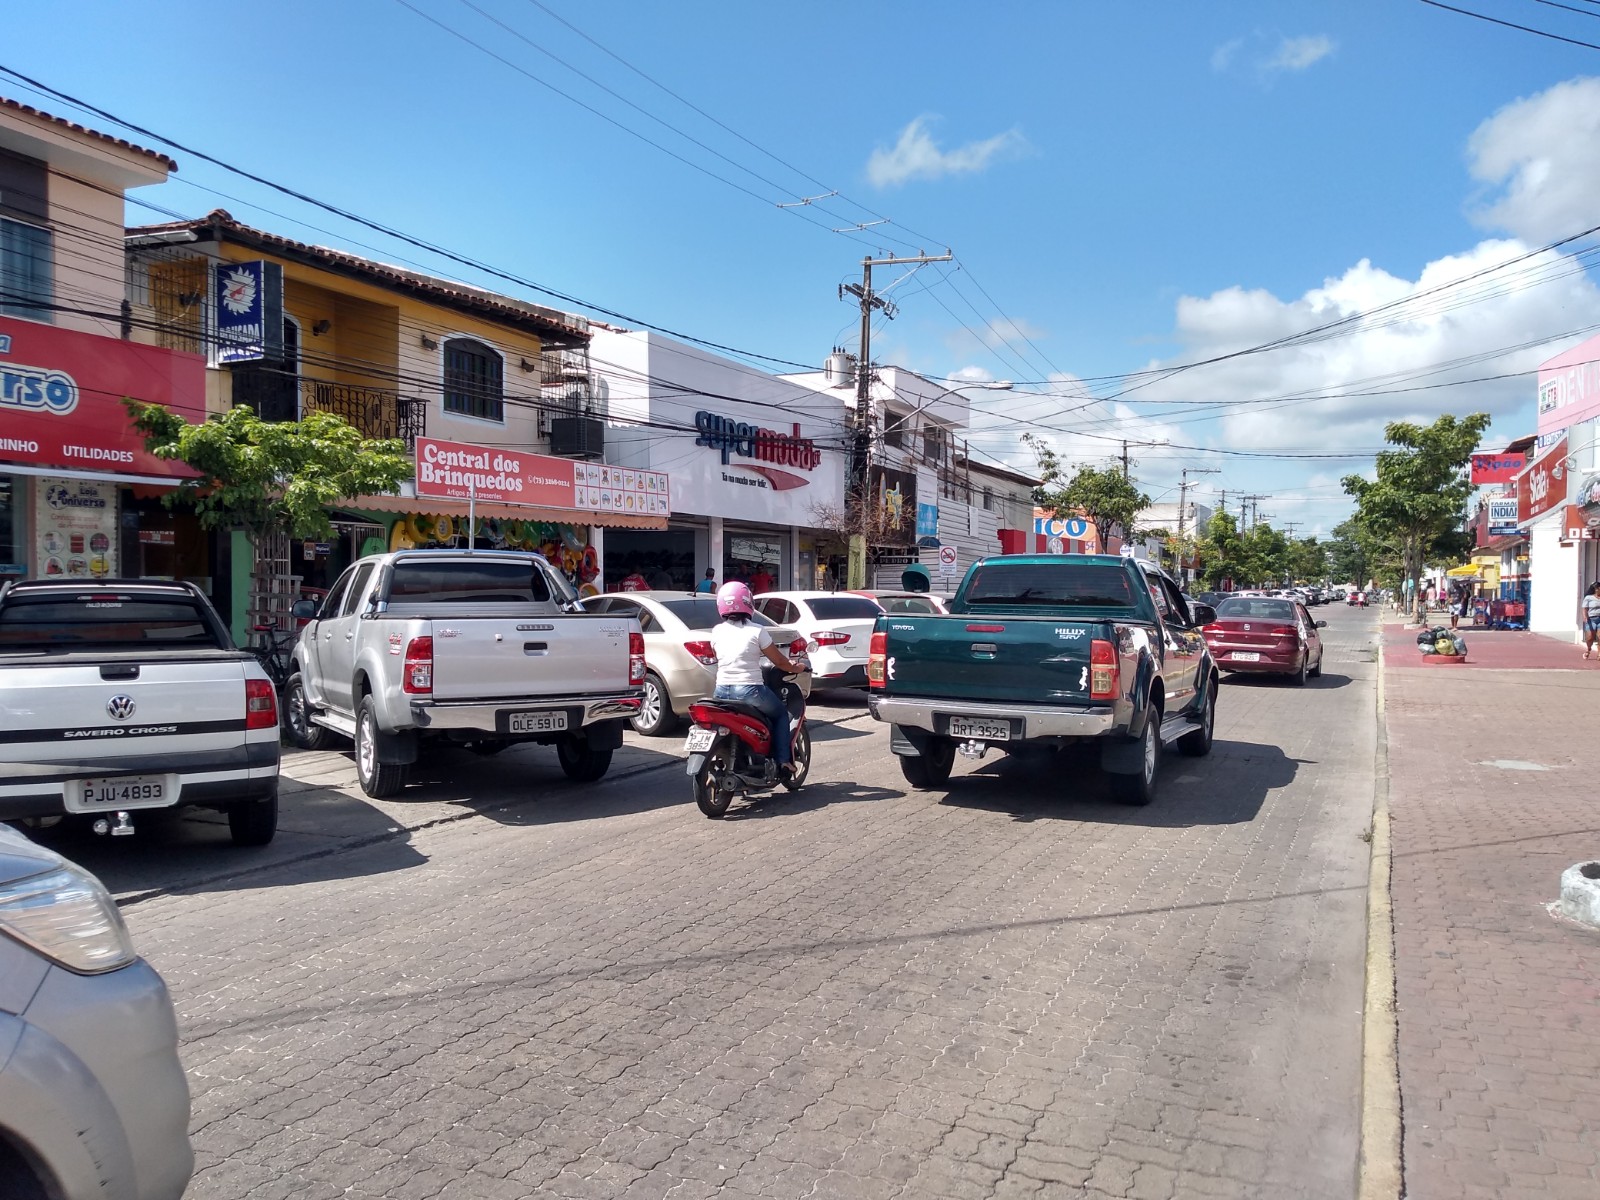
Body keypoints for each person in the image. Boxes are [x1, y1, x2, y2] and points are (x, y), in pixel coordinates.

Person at [709, 582, 805, 775]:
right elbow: (779, 661)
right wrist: (798, 667)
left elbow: (716, 655)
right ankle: (784, 761)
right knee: (779, 715)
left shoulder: (717, 631)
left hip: (721, 691)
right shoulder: (757, 630)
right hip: (749, 690)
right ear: (748, 602)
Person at [1582, 582, 1600, 660]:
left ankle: (1599, 654)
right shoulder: (1588, 598)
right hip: (1591, 619)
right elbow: (1584, 608)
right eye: (1598, 588)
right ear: (1595, 589)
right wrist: (1585, 617)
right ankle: (1588, 649)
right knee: (1590, 637)